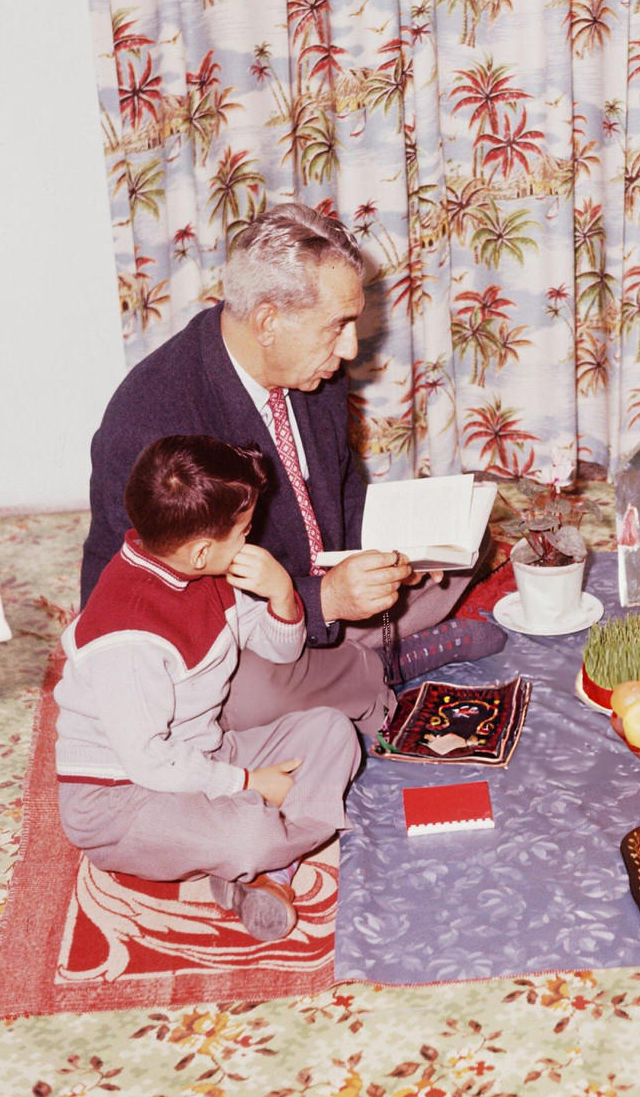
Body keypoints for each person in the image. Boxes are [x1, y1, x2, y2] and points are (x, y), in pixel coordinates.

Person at [80, 204, 504, 741]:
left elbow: (344, 489)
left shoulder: (314, 369)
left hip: (309, 589)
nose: (351, 348)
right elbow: (161, 595)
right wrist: (319, 601)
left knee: (467, 535)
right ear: (267, 322)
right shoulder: (153, 419)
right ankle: (390, 661)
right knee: (247, 697)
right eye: (338, 326)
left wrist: (394, 555)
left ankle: (356, 651)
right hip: (211, 628)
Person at [56, 436, 356, 941]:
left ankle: (246, 861)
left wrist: (283, 592)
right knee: (252, 833)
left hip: (203, 752)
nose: (251, 538)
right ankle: (261, 859)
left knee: (334, 731)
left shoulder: (202, 570)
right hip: (120, 800)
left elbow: (280, 648)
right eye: (243, 531)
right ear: (200, 551)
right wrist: (247, 784)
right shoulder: (127, 639)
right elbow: (148, 763)